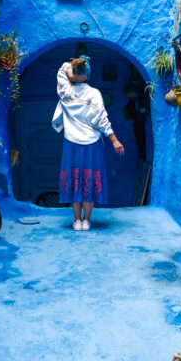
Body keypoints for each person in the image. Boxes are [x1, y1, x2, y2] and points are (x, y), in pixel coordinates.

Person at [52, 55, 125, 231]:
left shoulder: (65, 92)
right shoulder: (94, 94)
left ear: (73, 75)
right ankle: (86, 220)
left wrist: (70, 67)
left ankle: (76, 220)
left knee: (75, 181)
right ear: (88, 76)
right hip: (92, 144)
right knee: (90, 181)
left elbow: (62, 70)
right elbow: (102, 120)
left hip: (72, 144)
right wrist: (114, 140)